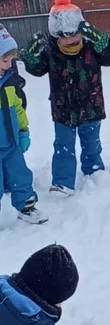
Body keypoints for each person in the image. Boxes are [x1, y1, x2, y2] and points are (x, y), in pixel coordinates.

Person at [22, 0, 110, 196]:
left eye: (73, 34)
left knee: (91, 144)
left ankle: (94, 173)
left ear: (80, 31)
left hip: (91, 106)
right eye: (63, 36)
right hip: (63, 109)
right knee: (63, 147)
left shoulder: (92, 46)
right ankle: (62, 182)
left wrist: (99, 37)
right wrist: (30, 55)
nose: (68, 40)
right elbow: (38, 69)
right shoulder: (51, 50)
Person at [0, 25, 47, 224]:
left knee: (20, 175)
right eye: (4, 60)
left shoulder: (9, 81)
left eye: (11, 60)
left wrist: (23, 129)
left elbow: (17, 108)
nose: (9, 65)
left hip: (11, 143)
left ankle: (26, 206)